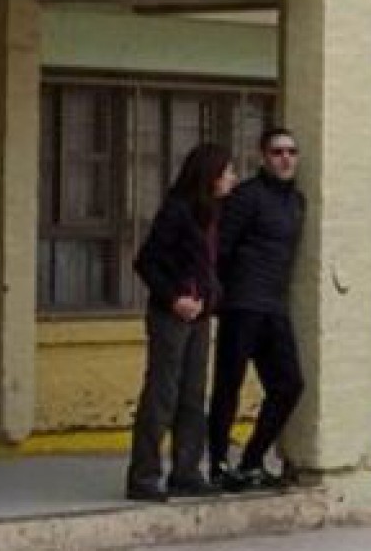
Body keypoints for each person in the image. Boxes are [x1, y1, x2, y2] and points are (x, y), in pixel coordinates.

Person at [126, 143, 235, 502]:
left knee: (192, 393)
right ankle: (143, 475)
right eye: (227, 171)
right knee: (162, 393)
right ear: (210, 176)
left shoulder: (213, 214)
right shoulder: (177, 212)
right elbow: (146, 261)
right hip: (172, 313)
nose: (232, 178)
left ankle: (186, 471)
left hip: (200, 312)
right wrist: (175, 298)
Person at [207, 127, 307, 493]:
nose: (286, 159)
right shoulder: (246, 196)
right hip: (241, 304)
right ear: (263, 156)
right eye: (278, 152)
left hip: (274, 306)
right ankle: (218, 464)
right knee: (228, 385)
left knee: (289, 384)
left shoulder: (296, 201)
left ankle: (251, 461)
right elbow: (222, 249)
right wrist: (222, 294)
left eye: (292, 152)